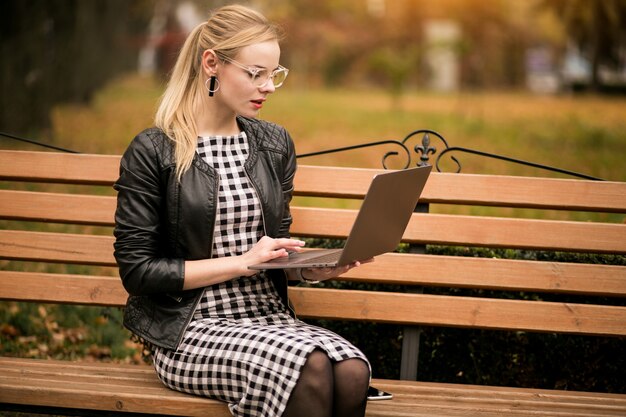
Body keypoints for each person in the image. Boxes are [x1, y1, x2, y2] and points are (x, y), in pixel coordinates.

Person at [113, 4, 371, 417]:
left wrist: (309, 267)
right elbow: (138, 272)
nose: (268, 87)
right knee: (313, 368)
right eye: (255, 74)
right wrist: (240, 264)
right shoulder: (155, 150)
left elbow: (272, 249)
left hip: (267, 317)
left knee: (353, 369)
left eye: (274, 74)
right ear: (211, 63)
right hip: (190, 327)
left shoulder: (272, 144)